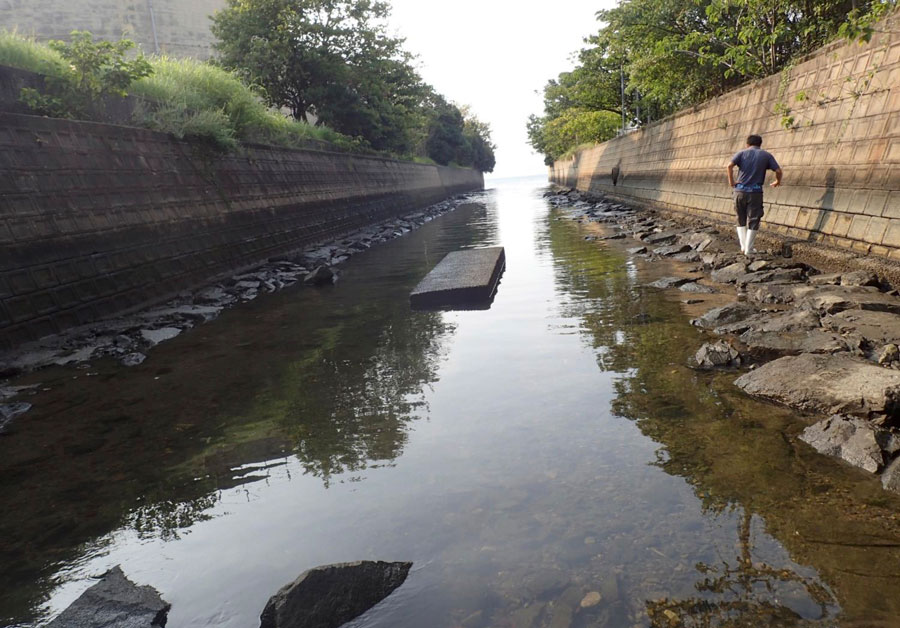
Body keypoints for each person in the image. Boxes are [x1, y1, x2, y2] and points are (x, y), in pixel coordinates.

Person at [726, 134, 783, 256]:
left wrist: (731, 182)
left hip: (739, 191)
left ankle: (743, 247)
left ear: (747, 144)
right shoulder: (766, 155)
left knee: (740, 217)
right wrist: (778, 181)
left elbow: (729, 166)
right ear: (760, 144)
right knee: (754, 219)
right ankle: (749, 249)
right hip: (755, 192)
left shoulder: (741, 153)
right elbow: (778, 171)